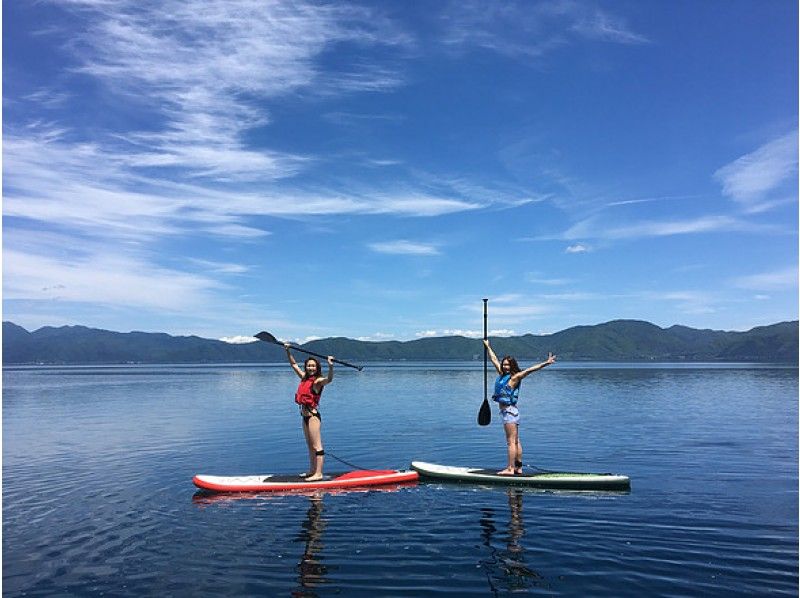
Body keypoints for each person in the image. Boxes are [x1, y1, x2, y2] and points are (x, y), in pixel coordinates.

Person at [483, 339, 556, 475]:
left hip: (509, 412)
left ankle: (510, 469)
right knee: (516, 441)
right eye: (504, 364)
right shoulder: (502, 375)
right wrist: (488, 346)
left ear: (512, 366)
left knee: (510, 442)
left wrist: (546, 363)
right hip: (512, 412)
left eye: (507, 365)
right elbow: (493, 359)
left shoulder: (514, 378)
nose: (505, 367)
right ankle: (518, 467)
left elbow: (530, 370)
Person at [285, 343, 335, 481]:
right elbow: (294, 365)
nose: (311, 368)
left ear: (317, 367)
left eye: (313, 366)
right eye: (308, 366)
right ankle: (312, 471)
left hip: (313, 416)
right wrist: (288, 350)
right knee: (309, 446)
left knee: (317, 445)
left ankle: (318, 474)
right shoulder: (303, 378)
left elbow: (329, 379)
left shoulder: (317, 381)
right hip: (304, 417)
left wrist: (330, 366)